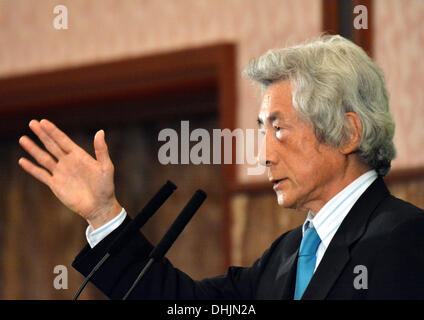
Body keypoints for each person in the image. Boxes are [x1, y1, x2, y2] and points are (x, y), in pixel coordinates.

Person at [19, 35, 424, 300]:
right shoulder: (287, 253)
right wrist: (103, 215)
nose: (262, 154)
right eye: (261, 130)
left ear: (348, 133)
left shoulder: (405, 239)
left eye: (278, 129)